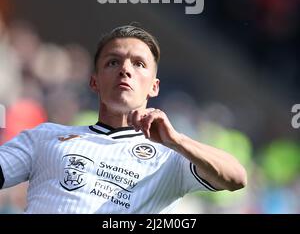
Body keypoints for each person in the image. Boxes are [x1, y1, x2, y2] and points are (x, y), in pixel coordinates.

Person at [0, 25, 247, 213]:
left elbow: (236, 178)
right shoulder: (45, 137)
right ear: (94, 81)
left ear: (154, 87)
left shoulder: (170, 158)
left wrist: (178, 141)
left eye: (139, 64)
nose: (125, 69)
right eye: (113, 62)